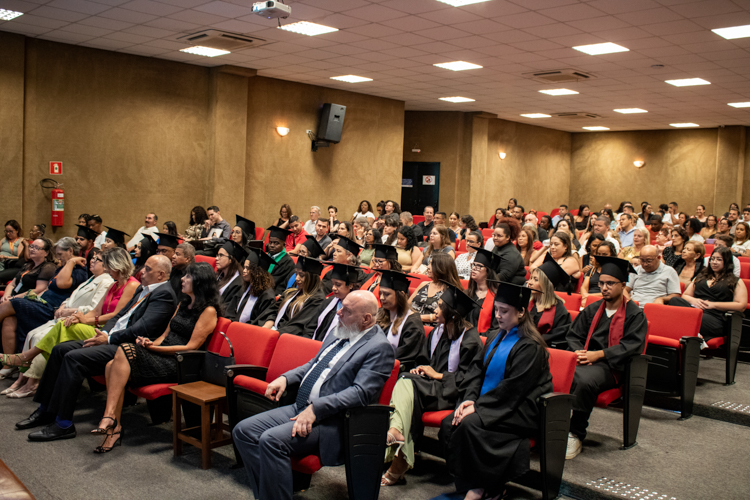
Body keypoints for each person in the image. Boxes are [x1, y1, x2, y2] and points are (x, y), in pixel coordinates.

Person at [233, 290, 393, 500]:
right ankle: (270, 495)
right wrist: (285, 378)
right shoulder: (342, 329)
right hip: (301, 406)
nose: (338, 313)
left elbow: (360, 393)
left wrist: (316, 409)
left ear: (366, 319)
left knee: (271, 441)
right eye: (341, 306)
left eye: (347, 310)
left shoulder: (379, 348)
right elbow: (313, 365)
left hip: (331, 421)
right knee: (243, 431)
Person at [15, 255, 178, 441]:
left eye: (148, 269)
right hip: (112, 339)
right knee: (60, 349)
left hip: (128, 348)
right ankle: (46, 409)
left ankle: (63, 424)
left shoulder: (164, 294)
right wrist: (104, 334)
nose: (141, 271)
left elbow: (143, 328)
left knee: (73, 358)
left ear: (161, 274)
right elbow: (118, 316)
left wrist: (109, 338)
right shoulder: (144, 288)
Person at [91, 262, 220, 453]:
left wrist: (156, 350)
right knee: (111, 365)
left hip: (179, 363)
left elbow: (191, 346)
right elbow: (164, 336)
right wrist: (150, 343)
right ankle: (113, 427)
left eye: (188, 277)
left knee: (124, 349)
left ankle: (110, 418)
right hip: (162, 354)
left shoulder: (209, 311)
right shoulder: (182, 304)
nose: (182, 280)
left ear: (200, 282)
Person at [440, 281, 553, 499]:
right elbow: (475, 372)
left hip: (519, 408)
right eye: (496, 310)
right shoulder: (494, 335)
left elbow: (514, 389)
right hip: (490, 403)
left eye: (504, 311)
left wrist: (478, 408)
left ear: (521, 311)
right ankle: (469, 484)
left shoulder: (530, 346)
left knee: (468, 425)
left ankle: (484, 486)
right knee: (449, 423)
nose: (498, 316)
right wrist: (470, 399)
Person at [382, 283, 483, 486]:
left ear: (453, 314)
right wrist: (420, 368)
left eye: (439, 307)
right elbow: (424, 360)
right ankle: (400, 453)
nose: (434, 311)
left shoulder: (471, 341)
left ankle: (398, 448)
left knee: (405, 384)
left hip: (449, 391)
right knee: (406, 380)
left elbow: (469, 378)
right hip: (428, 387)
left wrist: (437, 375)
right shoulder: (439, 332)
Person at [4, 248, 137, 398]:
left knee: (60, 328)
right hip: (97, 324)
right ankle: (26, 376)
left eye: (108, 266)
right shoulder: (114, 284)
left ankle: (27, 363)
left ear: (117, 265)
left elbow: (115, 316)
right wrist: (78, 317)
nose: (106, 269)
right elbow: (96, 310)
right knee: (54, 329)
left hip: (108, 332)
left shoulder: (131, 285)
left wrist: (84, 319)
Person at [565, 256, 648, 460]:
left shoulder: (635, 315)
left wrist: (599, 354)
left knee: (584, 381)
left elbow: (631, 346)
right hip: (586, 359)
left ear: (623, 285)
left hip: (612, 366)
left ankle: (576, 433)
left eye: (610, 284)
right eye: (601, 283)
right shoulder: (593, 309)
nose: (604, 288)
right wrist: (578, 352)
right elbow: (574, 335)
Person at [0, 237, 89, 376]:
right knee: (9, 319)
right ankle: (9, 364)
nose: (58, 258)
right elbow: (47, 288)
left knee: (13, 303)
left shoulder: (80, 270)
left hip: (51, 309)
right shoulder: (62, 267)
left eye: (60, 254)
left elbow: (61, 284)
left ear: (70, 251)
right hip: (41, 304)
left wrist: (71, 261)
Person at [668, 247, 748, 341]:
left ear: (727, 262)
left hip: (715, 317)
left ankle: (691, 334)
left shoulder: (735, 281)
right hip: (695, 310)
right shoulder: (701, 276)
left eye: (719, 259)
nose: (714, 262)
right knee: (675, 300)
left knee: (695, 317)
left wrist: (713, 305)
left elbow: (741, 305)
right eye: (712, 259)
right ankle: (694, 335)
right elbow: (685, 295)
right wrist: (694, 300)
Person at [376, 269, 424, 372]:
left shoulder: (412, 324)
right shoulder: (380, 314)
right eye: (380, 293)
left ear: (400, 295)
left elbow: (404, 357)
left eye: (386, 294)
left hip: (392, 370)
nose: (381, 297)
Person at [304, 263, 361, 341]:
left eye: (338, 285)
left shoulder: (356, 310)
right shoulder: (327, 303)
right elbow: (310, 327)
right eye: (333, 284)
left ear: (350, 285)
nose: (333, 288)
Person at [272, 256, 325, 336]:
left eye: (301, 275)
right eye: (296, 274)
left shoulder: (317, 300)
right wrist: (268, 324)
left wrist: (272, 334)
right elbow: (272, 310)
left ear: (311, 278)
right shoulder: (290, 292)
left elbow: (298, 326)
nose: (297, 278)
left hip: (288, 337)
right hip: (275, 330)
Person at [527, 255, 573, 346]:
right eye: (531, 278)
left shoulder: (560, 312)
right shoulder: (526, 303)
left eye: (535, 279)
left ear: (546, 285)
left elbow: (558, 339)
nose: (530, 282)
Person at [227, 249, 278, 327]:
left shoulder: (267, 296)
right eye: (244, 267)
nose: (244, 271)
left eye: (248, 268)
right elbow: (230, 311)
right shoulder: (244, 288)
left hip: (248, 331)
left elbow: (260, 321)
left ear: (258, 272)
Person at [410, 252, 463, 325]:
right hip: (411, 324)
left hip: (434, 329)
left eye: (431, 264)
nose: (428, 267)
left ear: (441, 268)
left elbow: (445, 316)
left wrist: (417, 317)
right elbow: (407, 306)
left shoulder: (452, 291)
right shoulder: (423, 284)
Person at [0, 238, 56, 307]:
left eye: (36, 248)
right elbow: (12, 284)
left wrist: (13, 298)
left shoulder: (48, 267)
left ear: (46, 253)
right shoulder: (27, 265)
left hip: (26, 301)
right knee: (7, 317)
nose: (32, 249)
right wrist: (6, 296)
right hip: (13, 297)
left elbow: (38, 290)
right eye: (31, 246)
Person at [465, 248, 502, 336]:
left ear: (488, 271)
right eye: (473, 265)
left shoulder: (497, 298)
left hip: (482, 342)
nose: (474, 268)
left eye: (478, 266)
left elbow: (496, 329)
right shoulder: (467, 294)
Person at [215, 240, 246, 312]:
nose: (216, 258)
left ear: (231, 259)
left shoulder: (238, 283)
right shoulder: (218, 276)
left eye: (221, 255)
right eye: (217, 255)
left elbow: (228, 308)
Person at [265, 226, 296, 296]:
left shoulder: (287, 262)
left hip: (274, 293)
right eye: (270, 242)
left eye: (276, 243)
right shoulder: (266, 257)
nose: (272, 245)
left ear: (284, 245)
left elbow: (275, 281)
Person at [0, 220, 28, 284]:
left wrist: (6, 257)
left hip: (10, 262)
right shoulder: (4, 240)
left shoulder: (20, 241)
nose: (8, 233)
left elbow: (19, 257)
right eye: (6, 231)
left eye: (10, 231)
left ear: (17, 231)